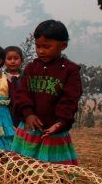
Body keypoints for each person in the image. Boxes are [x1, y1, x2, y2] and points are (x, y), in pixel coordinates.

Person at [11, 20, 82, 165]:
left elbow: (70, 99)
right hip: (30, 129)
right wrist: (28, 113)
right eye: (38, 46)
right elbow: (22, 93)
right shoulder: (31, 68)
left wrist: (60, 122)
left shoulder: (70, 71)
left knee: (52, 173)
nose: (41, 51)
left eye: (47, 46)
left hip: (52, 132)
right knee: (25, 169)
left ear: (63, 46)